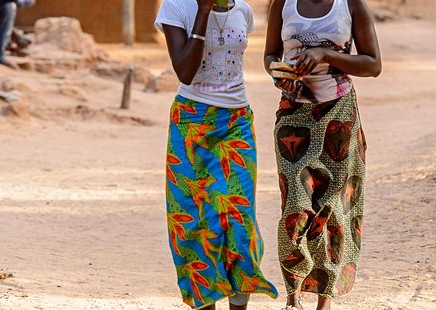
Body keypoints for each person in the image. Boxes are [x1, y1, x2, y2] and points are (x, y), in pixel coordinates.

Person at [155, 0, 279, 308]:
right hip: (191, 123)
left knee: (239, 219)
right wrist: (204, 12)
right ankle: (205, 302)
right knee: (197, 222)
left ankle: (239, 303)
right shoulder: (176, 7)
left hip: (236, 122)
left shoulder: (243, 11)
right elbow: (185, 71)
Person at [264, 0, 381, 308]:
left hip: (338, 115)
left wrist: (326, 55)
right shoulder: (283, 3)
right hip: (293, 115)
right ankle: (293, 293)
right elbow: (270, 54)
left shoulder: (351, 5)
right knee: (295, 205)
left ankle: (324, 298)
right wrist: (278, 72)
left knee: (333, 207)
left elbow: (373, 65)